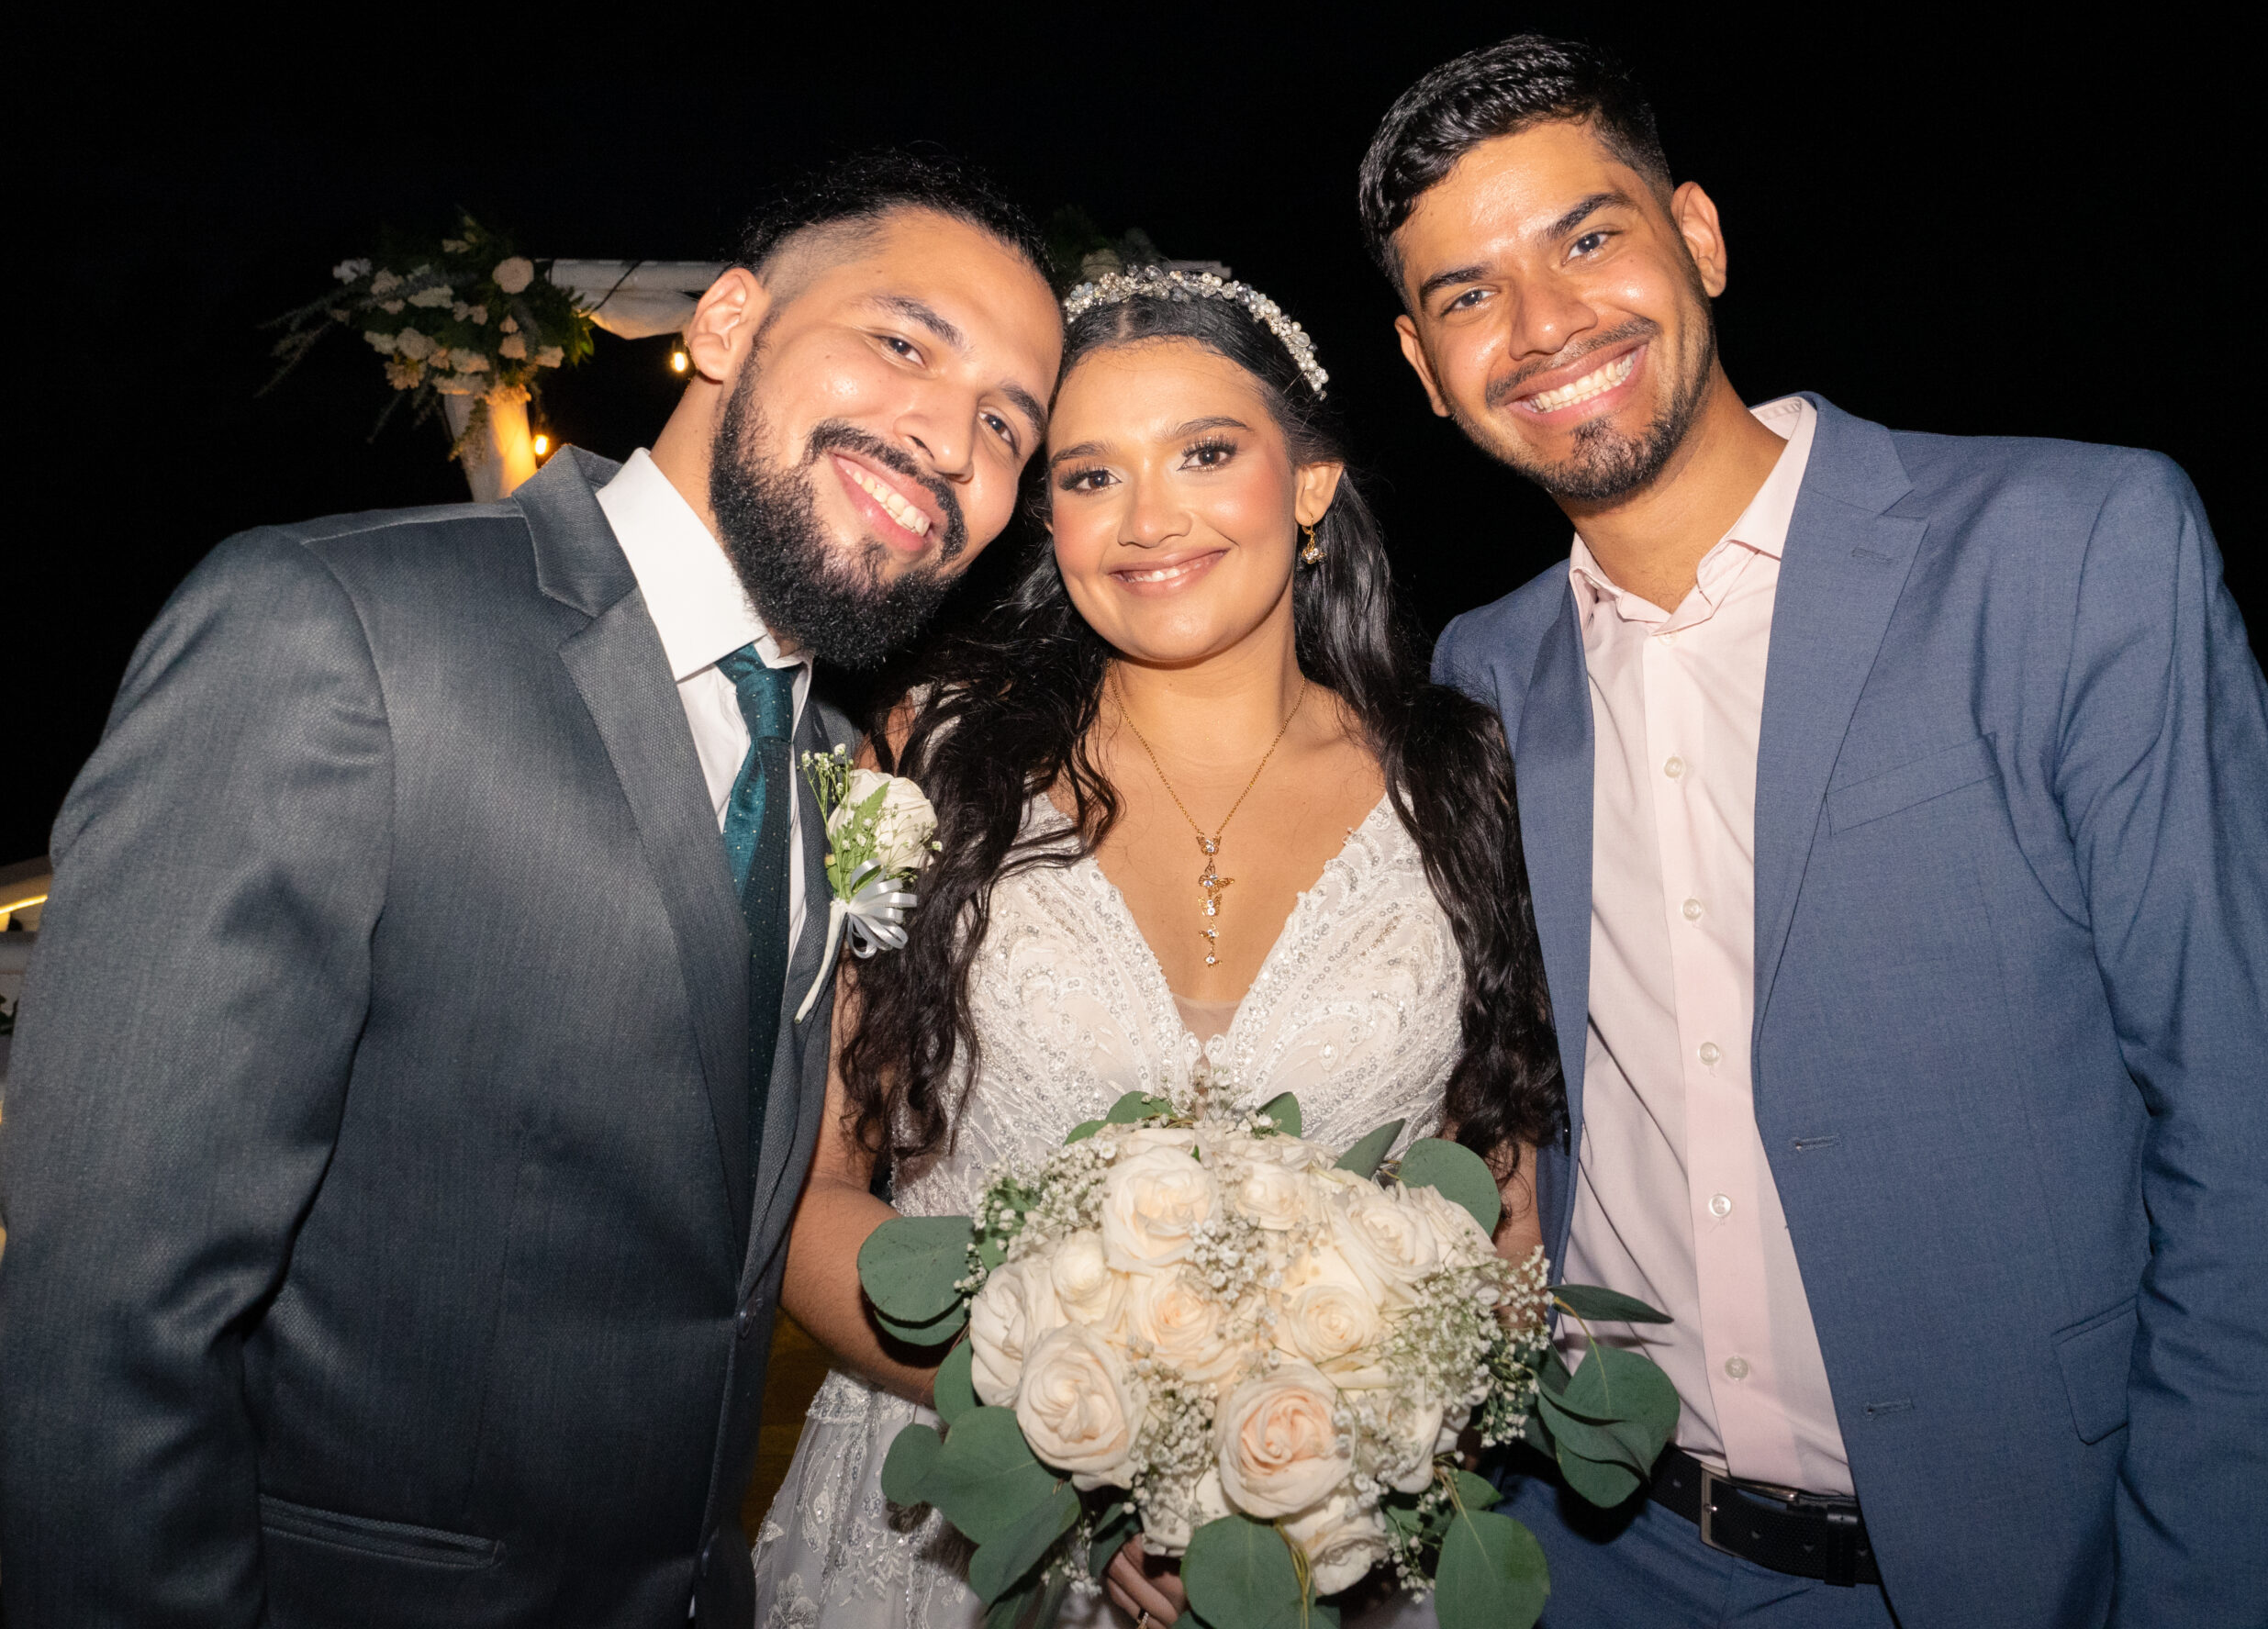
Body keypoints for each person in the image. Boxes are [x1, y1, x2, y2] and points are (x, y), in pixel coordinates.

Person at [1356, 35, 2268, 1628]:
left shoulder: (2071, 550)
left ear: (1700, 237)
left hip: (2027, 1565)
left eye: (1588, 237)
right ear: (1421, 365)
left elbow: (2255, 1155)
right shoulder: (1481, 670)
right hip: (1602, 1563)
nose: (1543, 327)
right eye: (1469, 295)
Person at [0, 151, 1063, 1628]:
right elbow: (108, 1322)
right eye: (903, 342)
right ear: (730, 322)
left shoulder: (830, 766)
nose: (953, 436)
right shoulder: (338, 634)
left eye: (1009, 424)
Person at [749, 262, 1566, 1627]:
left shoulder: (1461, 779)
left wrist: (1349, 1473)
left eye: (1204, 452)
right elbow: (808, 1201)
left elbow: (1504, 1222)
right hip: (939, 1537)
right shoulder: (932, 761)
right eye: (1087, 475)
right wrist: (1067, 1448)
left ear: (1310, 484)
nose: (1146, 521)